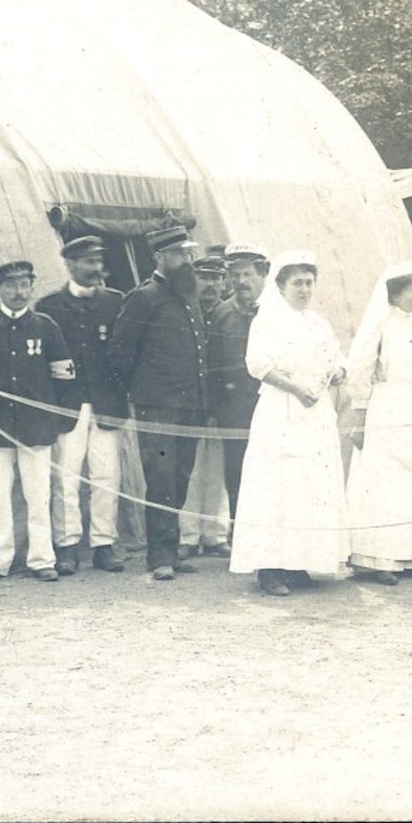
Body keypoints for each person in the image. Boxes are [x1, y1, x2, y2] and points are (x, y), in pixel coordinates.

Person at [228, 251, 350, 596]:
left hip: (315, 414)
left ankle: (298, 563)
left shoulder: (317, 322)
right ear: (280, 286)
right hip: (282, 411)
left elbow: (337, 358)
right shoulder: (267, 320)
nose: (305, 289)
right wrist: (296, 388)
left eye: (309, 282)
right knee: (277, 487)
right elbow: (258, 364)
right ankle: (270, 569)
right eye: (297, 283)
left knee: (309, 486)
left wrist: (339, 371)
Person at [0, 260, 76, 584]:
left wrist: (60, 420)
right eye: (11, 286)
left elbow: (64, 374)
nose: (18, 292)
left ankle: (41, 559)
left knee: (39, 495)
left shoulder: (46, 326)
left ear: (32, 288)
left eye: (24, 285)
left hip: (38, 427)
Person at [107, 224, 208, 582]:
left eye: (189, 252)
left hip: (190, 406)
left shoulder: (189, 295)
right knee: (161, 480)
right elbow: (119, 355)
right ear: (159, 257)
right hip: (157, 409)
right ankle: (160, 557)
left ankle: (172, 550)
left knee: (180, 478)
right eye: (179, 253)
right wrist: (143, 393)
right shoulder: (144, 297)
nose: (187, 259)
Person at [36, 236, 126, 574]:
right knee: (66, 478)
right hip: (68, 406)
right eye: (88, 262)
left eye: (98, 261)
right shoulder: (49, 308)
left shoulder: (116, 303)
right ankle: (68, 546)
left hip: (107, 404)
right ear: (70, 264)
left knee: (107, 476)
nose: (96, 269)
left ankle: (104, 544)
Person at [345, 262, 412, 585]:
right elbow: (359, 368)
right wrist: (361, 411)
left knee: (411, 483)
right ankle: (375, 559)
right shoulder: (380, 325)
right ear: (395, 293)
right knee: (382, 482)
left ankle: (407, 556)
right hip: (385, 406)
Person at [206, 244, 269, 552]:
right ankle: (242, 539)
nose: (241, 281)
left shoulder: (276, 311)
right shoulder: (221, 314)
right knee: (238, 473)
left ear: (263, 275)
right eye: (235, 274)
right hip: (236, 410)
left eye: (248, 274)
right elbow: (212, 365)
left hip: (272, 408)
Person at [178, 251, 232, 559]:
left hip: (222, 404)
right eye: (203, 278)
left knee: (219, 471)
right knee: (192, 470)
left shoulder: (229, 314)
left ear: (224, 282)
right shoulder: (186, 312)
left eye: (215, 278)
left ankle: (215, 533)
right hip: (191, 402)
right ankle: (188, 535)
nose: (209, 285)